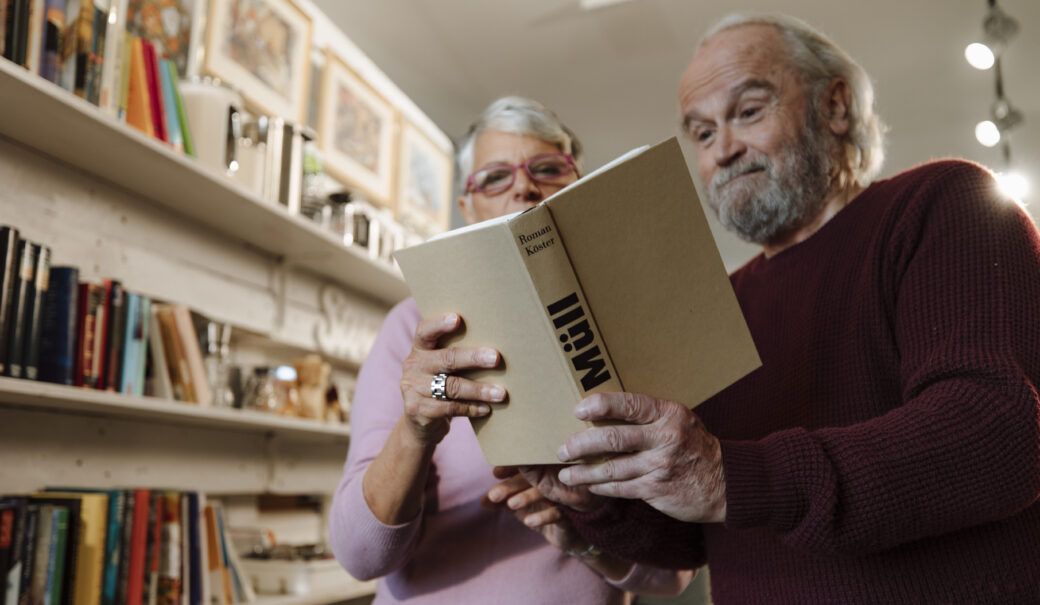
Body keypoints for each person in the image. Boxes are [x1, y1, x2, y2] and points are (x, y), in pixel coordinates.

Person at [500, 13, 1040, 604]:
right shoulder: (718, 302)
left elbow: (997, 434)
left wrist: (731, 476)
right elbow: (695, 542)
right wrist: (593, 499)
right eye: (702, 134)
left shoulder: (944, 202)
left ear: (835, 106)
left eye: (749, 112)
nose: (724, 150)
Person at [328, 96, 693, 604]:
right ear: (465, 207)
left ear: (578, 188)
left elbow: (675, 574)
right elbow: (359, 557)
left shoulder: (634, 326)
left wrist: (586, 536)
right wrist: (415, 427)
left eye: (548, 169)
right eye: (495, 177)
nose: (524, 186)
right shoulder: (414, 326)